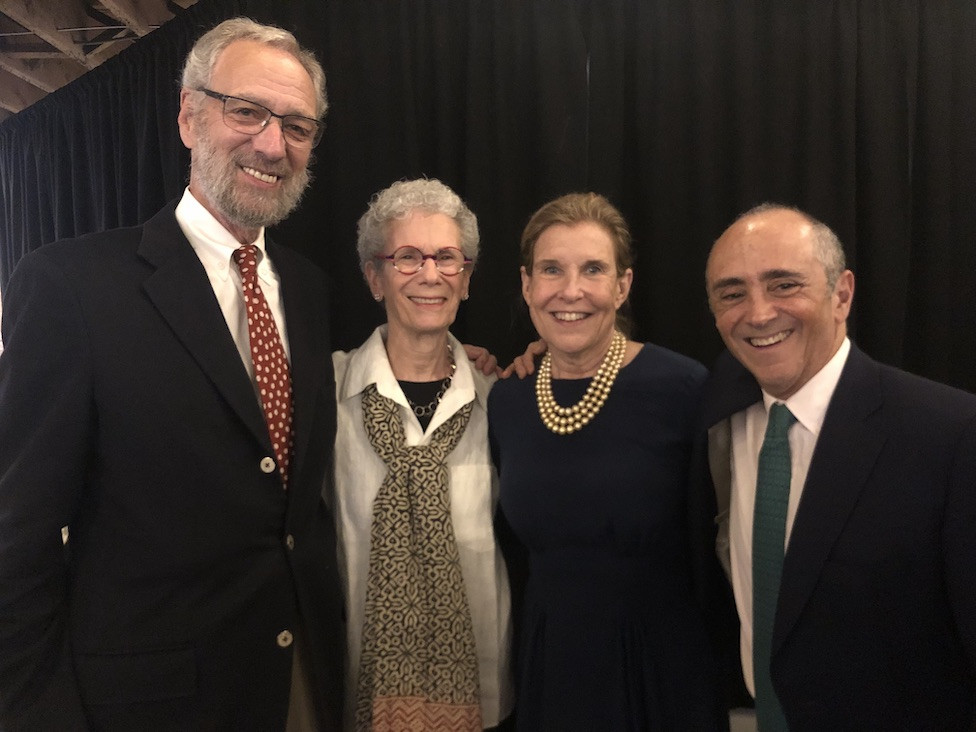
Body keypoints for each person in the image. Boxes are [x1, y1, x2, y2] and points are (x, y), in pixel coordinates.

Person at [0, 18, 344, 729]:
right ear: (189, 116)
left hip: (301, 686)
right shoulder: (71, 288)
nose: (272, 145)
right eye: (246, 111)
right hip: (148, 706)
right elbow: (15, 537)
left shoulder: (308, 291)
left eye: (297, 126)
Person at [702, 203, 976, 729]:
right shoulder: (716, 410)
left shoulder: (950, 435)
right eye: (732, 294)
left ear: (842, 294)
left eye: (784, 285)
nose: (758, 313)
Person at [488, 193, 727, 730]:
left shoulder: (684, 389)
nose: (570, 290)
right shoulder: (508, 399)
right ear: (527, 284)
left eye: (593, 269)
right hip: (551, 661)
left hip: (661, 665)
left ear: (622, 286)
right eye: (552, 269)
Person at [332, 179, 514, 731]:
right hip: (355, 693)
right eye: (407, 257)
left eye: (447, 258)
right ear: (375, 277)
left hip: (486, 695)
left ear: (466, 278)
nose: (430, 274)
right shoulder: (326, 393)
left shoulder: (503, 401)